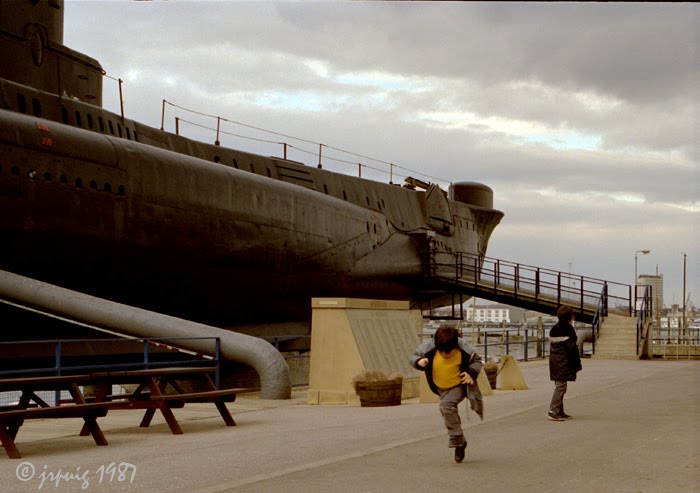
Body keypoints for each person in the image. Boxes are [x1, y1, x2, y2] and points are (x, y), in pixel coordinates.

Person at [409, 324, 483, 463]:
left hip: (458, 385)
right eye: (441, 351)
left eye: (447, 352)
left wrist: (471, 373)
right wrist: (419, 361)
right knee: (446, 409)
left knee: (446, 406)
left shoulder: (464, 348)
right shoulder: (429, 347)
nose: (444, 354)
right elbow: (412, 357)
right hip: (439, 388)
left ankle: (456, 438)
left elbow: (478, 361)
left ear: (455, 344)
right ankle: (461, 442)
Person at [548, 305, 582, 421]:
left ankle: (559, 411)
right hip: (564, 361)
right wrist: (577, 365)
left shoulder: (555, 328)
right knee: (561, 386)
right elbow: (572, 349)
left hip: (555, 361)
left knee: (560, 385)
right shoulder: (568, 329)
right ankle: (553, 410)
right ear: (570, 316)